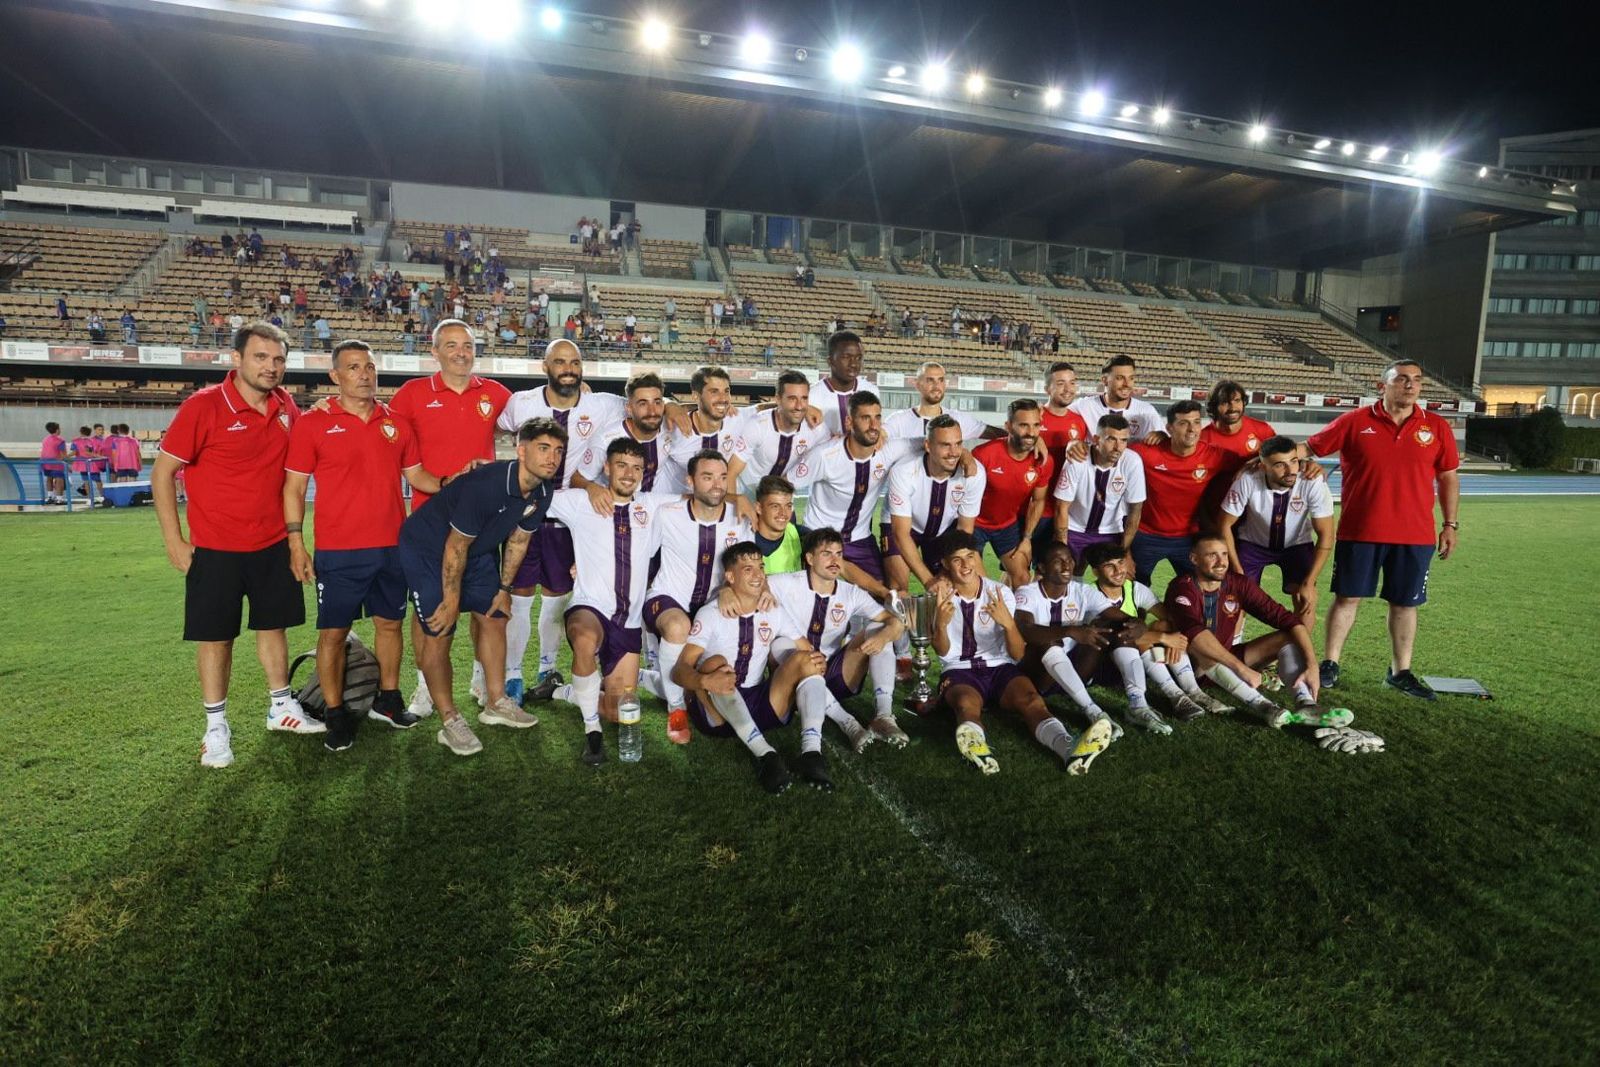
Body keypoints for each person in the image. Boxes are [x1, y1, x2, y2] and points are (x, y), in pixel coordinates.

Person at [152, 322, 323, 768]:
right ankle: (215, 727)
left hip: (271, 543)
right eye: (261, 357)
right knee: (216, 639)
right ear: (237, 359)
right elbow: (163, 473)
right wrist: (175, 540)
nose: (271, 367)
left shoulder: (287, 406)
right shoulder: (203, 406)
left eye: (279, 359)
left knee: (274, 628)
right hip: (215, 547)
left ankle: (281, 706)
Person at [283, 341, 449, 751]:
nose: (364, 374)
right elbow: (294, 487)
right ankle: (336, 713)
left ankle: (388, 700)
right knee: (334, 633)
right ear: (335, 377)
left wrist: (453, 483)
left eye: (370, 367)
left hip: (393, 548)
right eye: (353, 368)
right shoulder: (312, 423)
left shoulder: (395, 422)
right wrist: (295, 543)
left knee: (389, 625)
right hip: (339, 551)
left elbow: (418, 476)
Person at [397, 417, 566, 756]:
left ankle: (497, 702)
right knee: (440, 628)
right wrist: (450, 598)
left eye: (558, 451)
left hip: (475, 549)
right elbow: (454, 547)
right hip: (430, 549)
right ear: (521, 451)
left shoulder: (544, 489)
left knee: (494, 614)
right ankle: (450, 720)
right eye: (543, 448)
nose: (552, 458)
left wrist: (504, 586)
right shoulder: (485, 485)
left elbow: (518, 541)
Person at [1302, 360, 1461, 699]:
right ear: (1382, 385)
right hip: (1360, 531)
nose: (1411, 385)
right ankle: (1329, 664)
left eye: (1417, 380)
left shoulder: (1436, 427)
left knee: (1405, 603)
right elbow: (1310, 447)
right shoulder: (1356, 421)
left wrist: (1449, 524)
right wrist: (1281, 458)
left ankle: (1400, 671)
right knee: (1347, 598)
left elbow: (1448, 477)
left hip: (1415, 534)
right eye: (1402, 379)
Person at [388, 319, 513, 718]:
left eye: (468, 345)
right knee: (428, 612)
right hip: (430, 524)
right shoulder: (411, 395)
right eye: (452, 345)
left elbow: (540, 414)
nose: (461, 352)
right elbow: (384, 432)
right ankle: (424, 688)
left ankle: (481, 678)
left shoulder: (496, 394)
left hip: (480, 525)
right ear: (435, 351)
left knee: (484, 606)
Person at [499, 339, 628, 703]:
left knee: (557, 598)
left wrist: (673, 406)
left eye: (574, 362)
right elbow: (496, 427)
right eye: (560, 361)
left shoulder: (599, 404)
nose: (568, 368)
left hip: (565, 519)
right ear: (545, 366)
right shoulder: (520, 403)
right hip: (522, 511)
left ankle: (546, 668)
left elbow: (641, 401)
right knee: (520, 597)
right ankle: (512, 676)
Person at [927, 531, 1113, 776]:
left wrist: (1008, 624)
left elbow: (1016, 653)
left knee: (1032, 701)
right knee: (966, 704)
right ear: (945, 564)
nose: (965, 565)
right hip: (960, 670)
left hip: (1000, 667)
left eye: (970, 557)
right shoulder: (937, 597)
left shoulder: (999, 593)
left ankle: (1069, 748)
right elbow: (943, 652)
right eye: (957, 559)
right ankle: (978, 749)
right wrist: (940, 624)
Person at [544, 438, 682, 765]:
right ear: (607, 467)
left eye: (636, 468)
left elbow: (701, 501)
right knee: (584, 637)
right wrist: (589, 486)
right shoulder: (580, 501)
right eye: (621, 465)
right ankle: (593, 736)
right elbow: (534, 491)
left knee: (619, 713)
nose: (629, 473)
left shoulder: (653, 505)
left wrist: (737, 498)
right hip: (589, 607)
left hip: (628, 623)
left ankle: (558, 690)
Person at [671, 542, 835, 793]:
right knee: (716, 665)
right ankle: (765, 754)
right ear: (730, 577)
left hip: (760, 703)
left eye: (760, 567)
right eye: (748, 569)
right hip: (717, 712)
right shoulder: (711, 613)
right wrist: (706, 682)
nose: (758, 575)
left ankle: (811, 753)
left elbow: (806, 649)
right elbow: (679, 670)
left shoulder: (773, 610)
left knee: (807, 659)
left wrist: (818, 660)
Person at [1163, 535, 1340, 726]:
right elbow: (1195, 634)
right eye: (1212, 555)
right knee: (1201, 646)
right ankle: (1266, 708)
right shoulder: (1181, 588)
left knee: (1288, 636)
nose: (1222, 562)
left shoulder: (1238, 583)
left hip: (1226, 660)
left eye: (1224, 554)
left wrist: (1312, 664)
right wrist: (1242, 669)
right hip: (1190, 665)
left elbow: (1288, 620)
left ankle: (1306, 703)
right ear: (1194, 559)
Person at [639, 450, 752, 744]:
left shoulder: (738, 518)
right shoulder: (667, 513)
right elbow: (641, 555)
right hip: (668, 599)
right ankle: (676, 710)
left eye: (722, 477)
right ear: (690, 481)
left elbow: (744, 567)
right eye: (707, 477)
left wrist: (730, 589)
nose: (717, 484)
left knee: (714, 673)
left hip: (714, 605)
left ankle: (646, 678)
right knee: (678, 628)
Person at [771, 527, 910, 751]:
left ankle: (883, 715)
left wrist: (884, 635)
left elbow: (893, 621)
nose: (835, 560)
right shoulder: (785, 583)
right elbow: (746, 589)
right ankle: (849, 724)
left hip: (834, 673)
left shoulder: (851, 592)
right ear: (809, 558)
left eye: (839, 554)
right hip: (794, 679)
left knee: (877, 628)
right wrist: (730, 593)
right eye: (827, 553)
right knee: (780, 644)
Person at [1077, 541, 1218, 734]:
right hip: (1102, 663)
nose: (1118, 570)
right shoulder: (1090, 595)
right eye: (1109, 566)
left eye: (1120, 562)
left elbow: (1169, 617)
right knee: (1138, 635)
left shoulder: (1134, 589)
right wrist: (1163, 638)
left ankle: (1192, 692)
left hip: (1131, 660)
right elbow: (1113, 636)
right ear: (1095, 572)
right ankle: (1174, 695)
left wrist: (1172, 637)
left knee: (1165, 626)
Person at [790, 391, 920, 593]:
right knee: (818, 601)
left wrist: (963, 454)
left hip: (860, 539)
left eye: (877, 418)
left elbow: (931, 442)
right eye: (865, 418)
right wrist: (792, 528)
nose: (874, 425)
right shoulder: (825, 455)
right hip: (820, 537)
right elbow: (783, 486)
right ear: (849, 422)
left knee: (885, 598)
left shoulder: (889, 450)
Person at [1217, 435, 1334, 629]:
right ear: (1263, 467)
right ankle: (1232, 652)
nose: (1290, 471)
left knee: (1306, 598)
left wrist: (1309, 582)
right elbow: (1224, 524)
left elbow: (1326, 535)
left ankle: (1298, 656)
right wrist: (1238, 571)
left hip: (1296, 545)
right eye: (1280, 465)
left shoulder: (1312, 481)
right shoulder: (1247, 479)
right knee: (1236, 596)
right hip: (1253, 545)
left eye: (1294, 461)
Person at [1013, 541, 1123, 741]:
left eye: (1070, 560)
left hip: (1073, 670)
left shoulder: (1081, 591)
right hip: (1040, 675)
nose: (1067, 566)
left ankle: (1140, 703)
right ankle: (1093, 711)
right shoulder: (1026, 593)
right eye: (1058, 561)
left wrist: (1136, 622)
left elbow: (1115, 615)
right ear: (1042, 567)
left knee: (1105, 627)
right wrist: (1070, 630)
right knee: (1048, 641)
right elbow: (1026, 630)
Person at [1126, 400, 1238, 585]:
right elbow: (1111, 453)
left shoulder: (1213, 456)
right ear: (1169, 428)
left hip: (1188, 538)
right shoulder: (1147, 452)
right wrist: (1078, 447)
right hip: (1146, 535)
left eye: (1196, 422)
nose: (1191, 429)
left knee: (1197, 589)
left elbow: (1253, 463)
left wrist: (1251, 465)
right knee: (1135, 590)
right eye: (1183, 423)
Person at [885, 414, 986, 591]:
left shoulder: (974, 474)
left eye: (958, 444)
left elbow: (964, 529)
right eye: (945, 445)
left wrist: (946, 574)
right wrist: (929, 581)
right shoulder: (903, 471)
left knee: (973, 585)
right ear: (928, 446)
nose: (954, 452)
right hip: (905, 527)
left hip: (945, 530)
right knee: (899, 589)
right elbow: (901, 534)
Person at [971, 399, 1054, 588]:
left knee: (1023, 579)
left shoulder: (1044, 461)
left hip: (1007, 525)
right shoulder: (984, 455)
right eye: (1023, 425)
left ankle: (1014, 618)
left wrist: (1027, 538)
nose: (1031, 433)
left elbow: (1038, 500)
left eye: (1036, 425)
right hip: (974, 523)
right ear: (1008, 426)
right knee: (980, 584)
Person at [1052, 412, 1145, 571]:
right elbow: (1061, 506)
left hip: (1110, 531)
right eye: (1111, 439)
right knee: (1065, 573)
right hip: (1075, 529)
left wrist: (1123, 552)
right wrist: (1063, 547)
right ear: (1096, 439)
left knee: (1119, 576)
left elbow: (1135, 511)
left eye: (1123, 440)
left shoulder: (1132, 461)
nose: (1118, 447)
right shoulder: (1078, 458)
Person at [724, 370, 829, 493]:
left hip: (781, 495)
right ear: (778, 399)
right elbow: (731, 472)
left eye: (804, 398)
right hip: (748, 491)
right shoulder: (757, 426)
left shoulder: (816, 427)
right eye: (792, 398)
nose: (799, 406)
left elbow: (833, 451)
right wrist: (734, 502)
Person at [576, 372, 671, 493]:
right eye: (643, 403)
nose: (652, 411)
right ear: (629, 409)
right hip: (610, 507)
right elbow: (577, 479)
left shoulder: (671, 429)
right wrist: (593, 489)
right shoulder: (605, 441)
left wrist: (673, 405)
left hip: (648, 505)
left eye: (657, 402)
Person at [882, 361, 994, 442]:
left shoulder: (958, 419)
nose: (936, 386)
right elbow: (876, 438)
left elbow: (1003, 435)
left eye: (941, 380)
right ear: (917, 385)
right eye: (930, 380)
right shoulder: (898, 420)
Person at [1068, 355, 1163, 441]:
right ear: (1104, 381)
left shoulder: (1147, 411)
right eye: (1120, 378)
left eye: (1131, 378)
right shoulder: (1085, 406)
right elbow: (1057, 415)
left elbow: (1164, 440)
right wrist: (1073, 442)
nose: (1127, 384)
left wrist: (1162, 436)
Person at [1200, 380, 1275, 459]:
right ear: (1213, 406)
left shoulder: (1264, 431)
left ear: (1243, 402)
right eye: (1225, 402)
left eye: (1237, 400)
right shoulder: (1202, 439)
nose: (1232, 408)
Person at [809, 330, 865, 436]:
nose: (854, 364)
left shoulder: (871, 390)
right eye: (846, 357)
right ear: (830, 361)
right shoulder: (812, 395)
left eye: (858, 358)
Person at [1038, 362, 1091, 471]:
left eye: (1072, 383)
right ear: (1047, 389)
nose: (1068, 389)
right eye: (1060, 383)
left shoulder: (1080, 421)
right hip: (1037, 486)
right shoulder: (1034, 417)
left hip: (1067, 487)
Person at [751, 475, 803, 573]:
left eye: (788, 506)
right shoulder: (741, 536)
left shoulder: (799, 535)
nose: (783, 513)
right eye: (775, 506)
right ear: (759, 508)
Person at [40, 422, 68, 504]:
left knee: (49, 478)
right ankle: (59, 499)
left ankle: (50, 497)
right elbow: (64, 455)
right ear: (57, 430)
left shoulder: (45, 439)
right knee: (59, 480)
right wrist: (68, 465)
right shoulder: (60, 440)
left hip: (45, 462)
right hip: (56, 462)